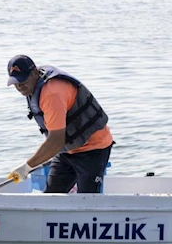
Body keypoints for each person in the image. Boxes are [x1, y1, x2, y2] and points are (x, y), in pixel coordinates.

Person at [6, 55, 114, 193]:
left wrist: (27, 167)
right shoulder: (34, 86)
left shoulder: (52, 93)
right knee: (51, 196)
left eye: (22, 80)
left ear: (34, 73)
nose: (19, 86)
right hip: (68, 150)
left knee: (87, 200)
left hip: (93, 148)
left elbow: (56, 141)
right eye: (15, 82)